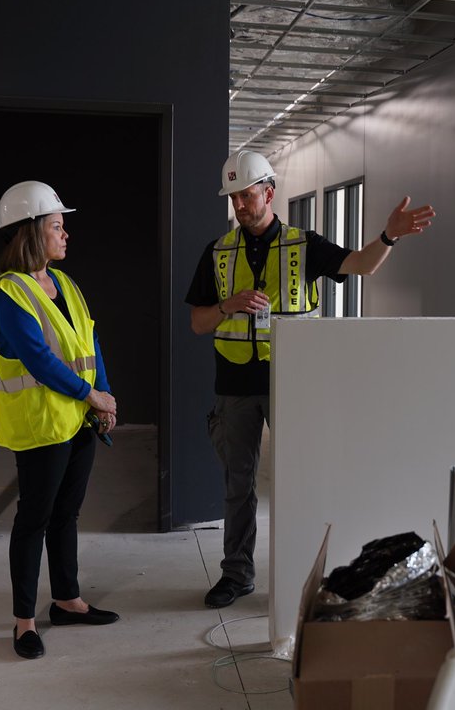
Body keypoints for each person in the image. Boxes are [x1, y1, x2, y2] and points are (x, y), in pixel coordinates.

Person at [186, 151, 435, 609]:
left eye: (247, 194)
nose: (240, 205)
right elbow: (198, 324)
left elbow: (362, 264)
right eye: (234, 197)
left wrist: (389, 236)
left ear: (268, 192)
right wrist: (229, 304)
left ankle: (304, 577)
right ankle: (236, 575)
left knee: (302, 480)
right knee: (237, 485)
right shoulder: (218, 252)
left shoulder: (304, 244)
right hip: (234, 385)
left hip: (293, 380)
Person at [0, 180, 121, 660]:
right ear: (31, 231)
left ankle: (66, 599)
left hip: (79, 422)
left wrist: (104, 396)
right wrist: (92, 395)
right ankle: (24, 622)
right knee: (33, 521)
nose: (66, 235)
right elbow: (39, 360)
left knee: (67, 514)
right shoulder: (9, 295)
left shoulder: (66, 284)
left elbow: (90, 341)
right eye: (57, 226)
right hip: (42, 428)